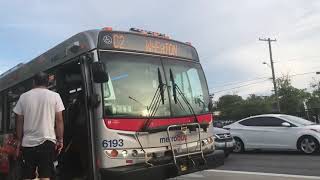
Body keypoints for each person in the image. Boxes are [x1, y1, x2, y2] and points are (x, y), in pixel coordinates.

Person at [14, 72, 65, 180]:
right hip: (47, 142)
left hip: (28, 143)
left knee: (27, 175)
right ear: (48, 82)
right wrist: (60, 139)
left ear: (33, 82)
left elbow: (19, 121)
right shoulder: (55, 96)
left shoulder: (23, 97)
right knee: (45, 175)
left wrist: (19, 141)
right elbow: (59, 120)